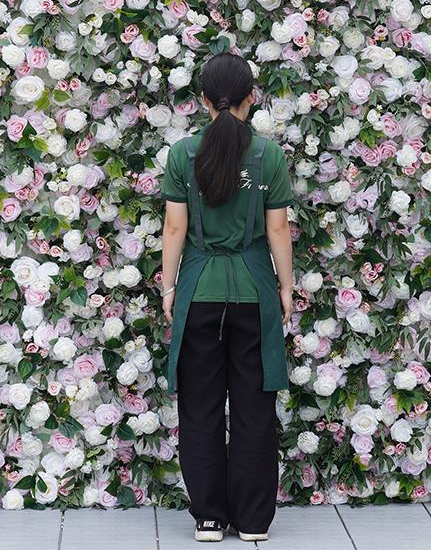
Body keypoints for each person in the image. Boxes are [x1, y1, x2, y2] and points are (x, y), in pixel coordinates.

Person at [160, 52, 294, 543]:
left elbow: (176, 225)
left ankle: (210, 518)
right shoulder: (269, 155)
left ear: (202, 101)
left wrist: (169, 285)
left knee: (201, 406)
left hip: (199, 290)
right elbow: (277, 227)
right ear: (250, 99)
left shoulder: (181, 153)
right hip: (254, 291)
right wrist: (285, 286)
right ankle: (255, 521)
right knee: (255, 405)